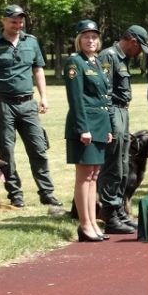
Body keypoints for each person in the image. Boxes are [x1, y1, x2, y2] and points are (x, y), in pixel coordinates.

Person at [0, 4, 63, 213]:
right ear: (3, 21)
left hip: (28, 103)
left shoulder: (31, 42)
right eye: (13, 21)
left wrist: (44, 97)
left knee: (38, 148)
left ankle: (47, 193)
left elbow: (38, 70)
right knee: (5, 152)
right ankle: (15, 195)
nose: (17, 25)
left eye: (20, 21)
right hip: (3, 103)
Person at [63, 19, 113, 242]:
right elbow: (76, 99)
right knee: (84, 176)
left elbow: (103, 97)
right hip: (84, 126)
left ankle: (93, 221)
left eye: (94, 36)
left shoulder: (96, 63)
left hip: (100, 124)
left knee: (94, 175)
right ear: (78, 40)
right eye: (86, 36)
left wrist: (108, 127)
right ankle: (84, 225)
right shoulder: (75, 63)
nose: (90, 40)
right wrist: (83, 128)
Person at [97, 24, 148, 234]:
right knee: (112, 166)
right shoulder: (108, 57)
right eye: (139, 48)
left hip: (122, 112)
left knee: (122, 165)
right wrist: (110, 122)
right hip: (113, 112)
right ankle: (109, 215)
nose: (139, 53)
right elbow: (104, 92)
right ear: (133, 41)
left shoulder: (122, 59)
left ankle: (119, 211)